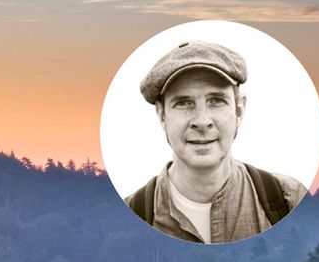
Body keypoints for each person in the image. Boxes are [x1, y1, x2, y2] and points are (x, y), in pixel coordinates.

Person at [126, 40, 307, 244]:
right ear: (162, 115)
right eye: (184, 103)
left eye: (216, 100)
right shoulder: (129, 215)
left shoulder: (290, 201)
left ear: (239, 110)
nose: (202, 121)